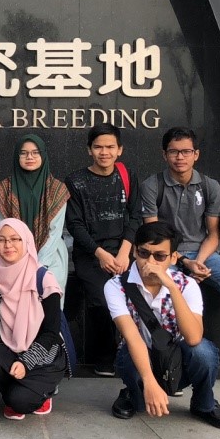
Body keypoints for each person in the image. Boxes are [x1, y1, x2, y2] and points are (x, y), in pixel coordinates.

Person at [140, 127, 220, 392]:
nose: (180, 157)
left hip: (203, 253)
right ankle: (167, 363)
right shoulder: (152, 185)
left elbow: (212, 234)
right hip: (166, 255)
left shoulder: (210, 186)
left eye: (186, 151)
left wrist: (198, 260)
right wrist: (183, 262)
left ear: (196, 154)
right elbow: (153, 237)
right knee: (160, 287)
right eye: (174, 152)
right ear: (164, 155)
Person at [105, 221, 220, 429]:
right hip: (139, 356)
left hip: (177, 359)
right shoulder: (116, 286)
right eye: (143, 253)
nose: (150, 262)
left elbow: (193, 337)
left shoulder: (186, 284)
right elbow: (132, 337)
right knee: (128, 354)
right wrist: (149, 382)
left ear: (173, 258)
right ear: (134, 252)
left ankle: (204, 404)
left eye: (159, 256)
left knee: (203, 351)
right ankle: (133, 393)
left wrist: (171, 287)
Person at [65, 123, 141, 376]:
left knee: (137, 297)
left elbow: (135, 216)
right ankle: (106, 357)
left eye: (110, 147)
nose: (104, 152)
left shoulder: (127, 176)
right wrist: (101, 254)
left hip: (123, 251)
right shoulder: (75, 181)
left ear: (120, 149)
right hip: (90, 254)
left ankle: (137, 352)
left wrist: (124, 252)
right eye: (98, 147)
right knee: (100, 298)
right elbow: (75, 225)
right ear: (89, 150)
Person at [0, 219, 67, 419]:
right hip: (9, 345)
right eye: (1, 240)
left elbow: (51, 333)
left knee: (20, 402)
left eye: (15, 239)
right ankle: (15, 391)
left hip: (43, 353)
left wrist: (26, 363)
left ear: (26, 241)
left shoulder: (43, 279)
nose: (8, 245)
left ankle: (44, 392)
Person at [0, 134, 69, 293]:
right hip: (12, 256)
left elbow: (55, 232)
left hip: (51, 258)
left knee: (48, 301)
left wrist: (38, 265)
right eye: (24, 153)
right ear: (17, 156)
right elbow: (1, 228)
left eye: (35, 152)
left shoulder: (57, 190)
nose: (30, 157)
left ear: (43, 155)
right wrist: (19, 260)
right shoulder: (3, 189)